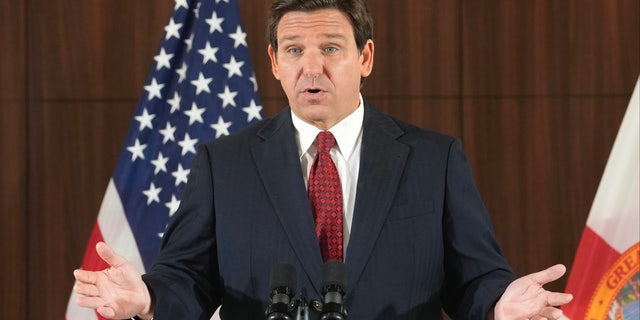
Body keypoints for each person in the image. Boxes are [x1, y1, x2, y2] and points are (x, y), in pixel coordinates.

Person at [73, 0, 573, 319]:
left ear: (366, 57)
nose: (311, 67)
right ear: (273, 63)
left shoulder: (433, 159)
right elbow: (188, 279)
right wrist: (148, 298)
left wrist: (501, 304)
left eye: (330, 48)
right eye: (293, 50)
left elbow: (476, 279)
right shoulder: (222, 163)